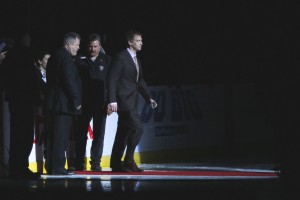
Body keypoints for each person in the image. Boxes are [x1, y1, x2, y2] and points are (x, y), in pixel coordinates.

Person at [107, 30, 157, 172]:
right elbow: (112, 78)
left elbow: (139, 81)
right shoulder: (121, 57)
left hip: (132, 100)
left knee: (123, 132)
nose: (141, 43)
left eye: (141, 41)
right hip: (123, 101)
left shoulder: (136, 59)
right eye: (138, 41)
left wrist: (148, 98)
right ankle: (128, 161)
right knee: (138, 128)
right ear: (130, 42)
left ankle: (115, 163)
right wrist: (112, 100)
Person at [2, 30, 41, 179]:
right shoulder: (25, 53)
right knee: (24, 136)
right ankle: (21, 168)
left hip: (15, 100)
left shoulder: (11, 55)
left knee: (16, 135)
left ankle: (15, 167)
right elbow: (32, 78)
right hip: (24, 100)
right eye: (28, 35)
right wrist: (37, 98)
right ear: (24, 37)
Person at [44, 32, 82, 175]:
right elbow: (70, 82)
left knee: (52, 136)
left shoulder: (54, 56)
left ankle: (51, 166)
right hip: (63, 104)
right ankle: (59, 167)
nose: (78, 48)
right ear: (69, 44)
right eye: (77, 45)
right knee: (61, 136)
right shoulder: (66, 58)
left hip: (52, 102)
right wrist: (76, 102)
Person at [73, 33, 111, 171]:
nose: (93, 49)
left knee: (99, 134)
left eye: (95, 46)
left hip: (101, 103)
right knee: (81, 133)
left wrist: (110, 101)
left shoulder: (107, 60)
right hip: (84, 103)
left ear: (100, 46)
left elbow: (111, 83)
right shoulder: (79, 60)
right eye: (90, 46)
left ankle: (95, 163)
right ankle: (79, 162)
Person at [34, 50, 51, 166]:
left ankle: (48, 160)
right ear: (40, 61)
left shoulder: (52, 75)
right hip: (38, 110)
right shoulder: (35, 75)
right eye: (47, 59)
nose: (49, 62)